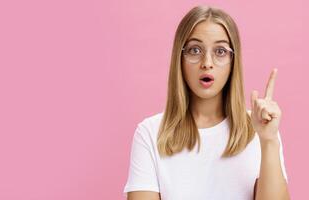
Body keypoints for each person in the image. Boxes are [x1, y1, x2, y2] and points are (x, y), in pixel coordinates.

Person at [124, 5, 290, 200]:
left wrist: (269, 141)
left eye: (220, 51)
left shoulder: (259, 130)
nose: (207, 62)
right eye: (195, 50)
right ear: (180, 58)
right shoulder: (150, 134)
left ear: (232, 61)